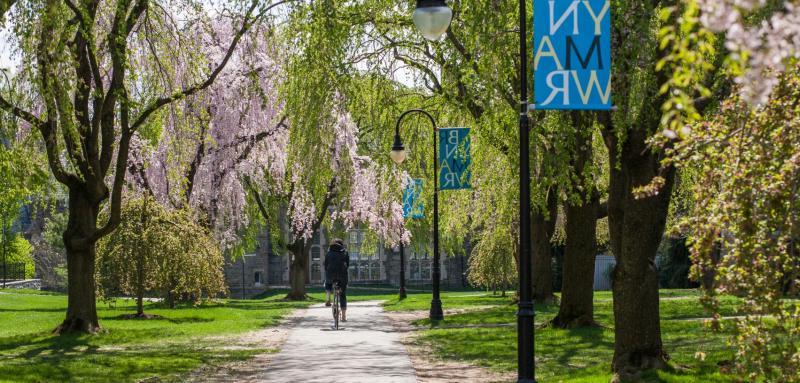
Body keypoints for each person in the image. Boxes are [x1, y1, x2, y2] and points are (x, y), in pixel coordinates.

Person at [324, 238, 350, 321]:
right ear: (341, 245)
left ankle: (328, 298)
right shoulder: (345, 252)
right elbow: (347, 264)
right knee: (342, 294)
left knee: (328, 281)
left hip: (331, 274)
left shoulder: (328, 253)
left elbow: (326, 265)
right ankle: (344, 316)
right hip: (342, 275)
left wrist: (327, 271)